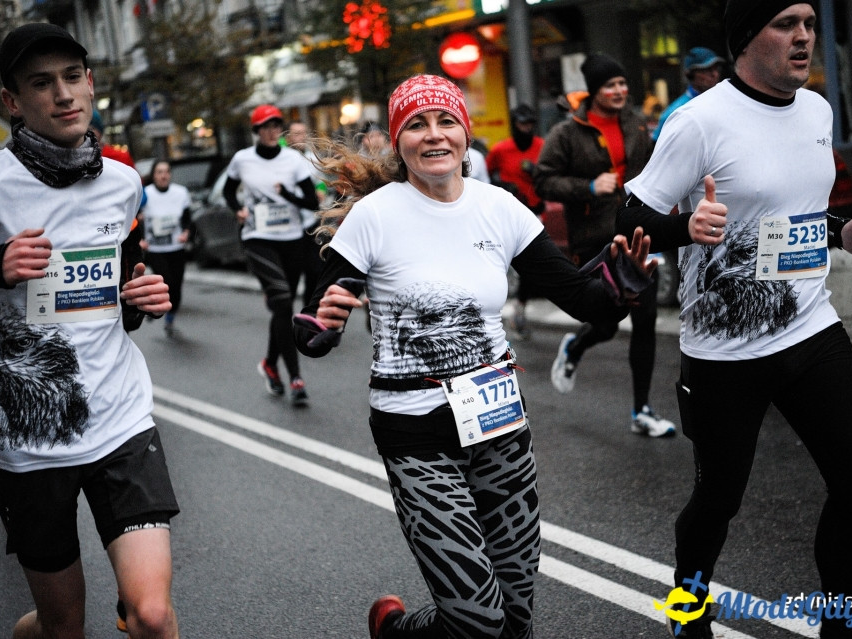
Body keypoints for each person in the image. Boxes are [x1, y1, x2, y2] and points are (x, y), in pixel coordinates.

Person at [292, 74, 656, 639]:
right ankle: (399, 631)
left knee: (515, 618)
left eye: (446, 121)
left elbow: (582, 300)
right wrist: (324, 324)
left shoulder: (499, 208)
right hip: (416, 436)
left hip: (500, 426)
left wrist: (620, 287)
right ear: (398, 141)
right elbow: (317, 322)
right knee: (477, 620)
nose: (434, 135)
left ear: (465, 134)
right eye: (417, 125)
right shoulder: (375, 216)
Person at [617, 2, 852, 637]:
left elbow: (791, 216)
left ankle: (840, 628)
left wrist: (842, 234)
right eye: (785, 24)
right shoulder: (698, 123)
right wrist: (685, 226)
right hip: (724, 352)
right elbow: (629, 217)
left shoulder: (816, 110)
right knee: (718, 500)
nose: (803, 37)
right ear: (745, 39)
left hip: (811, 329)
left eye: (809, 23)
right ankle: (689, 613)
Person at [0, 23, 180, 639]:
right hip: (27, 436)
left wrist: (141, 299)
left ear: (91, 83)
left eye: (73, 77)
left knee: (151, 615)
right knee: (62, 626)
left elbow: (120, 289)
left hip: (119, 418)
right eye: (42, 83)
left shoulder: (122, 182)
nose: (64, 94)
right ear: (13, 101)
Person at [534, 52, 676, 437]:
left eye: (623, 83)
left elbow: (653, 169)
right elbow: (543, 180)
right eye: (611, 85)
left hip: (636, 233)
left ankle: (642, 410)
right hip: (595, 238)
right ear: (595, 90)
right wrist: (589, 186)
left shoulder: (635, 123)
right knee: (607, 323)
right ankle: (576, 346)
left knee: (645, 318)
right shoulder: (567, 133)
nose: (620, 90)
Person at [223, 104, 321, 407]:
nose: (271, 131)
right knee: (282, 301)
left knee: (282, 306)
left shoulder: (293, 160)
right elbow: (228, 191)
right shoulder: (242, 159)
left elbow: (311, 202)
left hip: (291, 240)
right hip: (257, 239)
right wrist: (237, 209)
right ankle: (296, 379)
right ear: (256, 131)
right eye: (265, 126)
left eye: (276, 125)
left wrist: (286, 195)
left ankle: (269, 363)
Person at [486, 104, 546, 339]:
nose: (526, 129)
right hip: (507, 214)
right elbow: (485, 176)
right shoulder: (501, 150)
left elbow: (553, 173)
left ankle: (519, 309)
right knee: (500, 262)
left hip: (534, 212)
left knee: (533, 263)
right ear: (514, 125)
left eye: (530, 124)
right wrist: (502, 185)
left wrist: (538, 172)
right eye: (522, 124)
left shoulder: (542, 146)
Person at [140, 160, 192, 336]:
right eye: (159, 172)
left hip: (176, 246)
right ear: (154, 175)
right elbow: (134, 217)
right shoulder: (145, 194)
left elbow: (187, 217)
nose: (163, 175)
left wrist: (186, 232)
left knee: (176, 288)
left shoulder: (180, 192)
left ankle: (169, 317)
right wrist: (140, 239)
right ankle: (155, 307)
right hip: (155, 249)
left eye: (167, 172)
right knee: (166, 283)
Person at [651, 47, 724, 143]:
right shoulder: (675, 113)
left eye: (716, 69)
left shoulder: (725, 103)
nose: (715, 74)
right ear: (690, 75)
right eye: (707, 70)